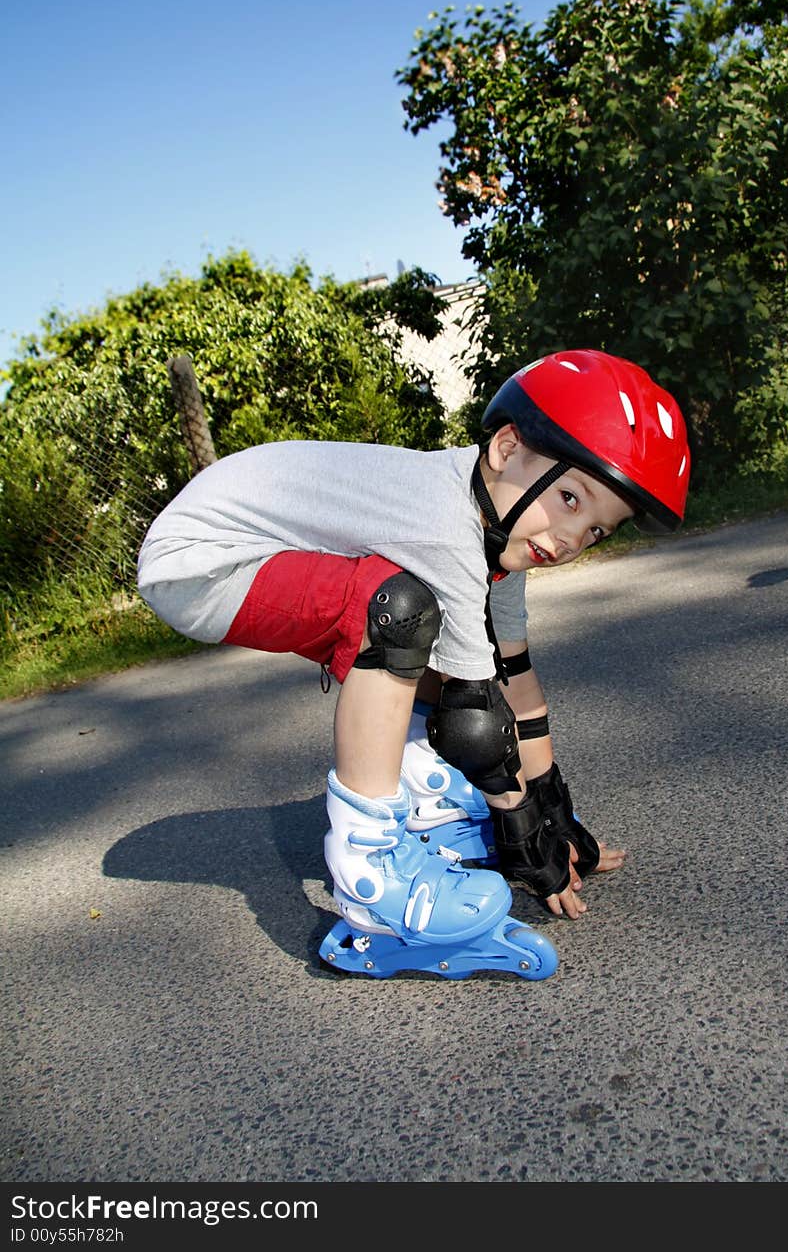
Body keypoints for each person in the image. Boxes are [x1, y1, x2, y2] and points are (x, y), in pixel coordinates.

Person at [137, 349, 690, 980]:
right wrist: (521, 830)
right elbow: (474, 720)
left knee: (455, 641)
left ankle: (423, 794)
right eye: (570, 498)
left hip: (264, 551)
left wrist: (549, 804)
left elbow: (514, 678)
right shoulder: (447, 524)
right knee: (400, 609)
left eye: (597, 530)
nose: (570, 539)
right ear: (507, 449)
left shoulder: (502, 527)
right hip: (201, 564)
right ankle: (370, 877)